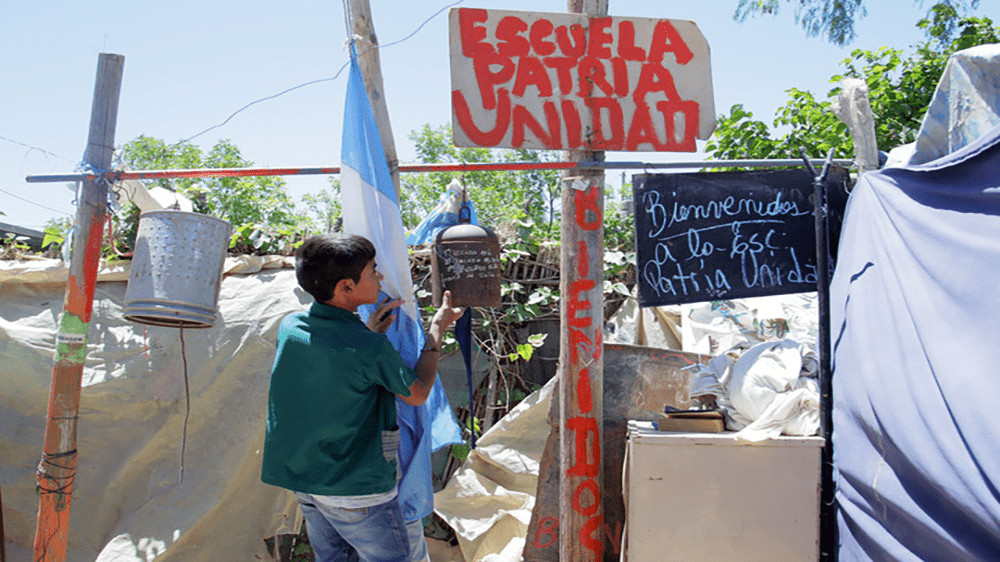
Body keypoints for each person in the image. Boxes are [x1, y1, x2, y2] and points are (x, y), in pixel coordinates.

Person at [261, 233, 463, 561]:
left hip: (307, 480)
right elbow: (418, 395)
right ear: (346, 287)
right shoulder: (369, 347)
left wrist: (368, 331)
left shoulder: (291, 328)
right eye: (373, 272)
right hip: (357, 491)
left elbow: (336, 369)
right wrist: (436, 332)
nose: (381, 278)